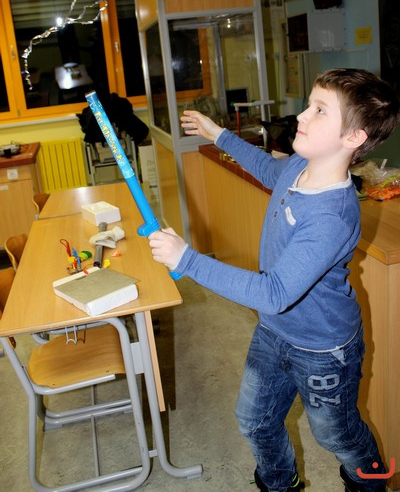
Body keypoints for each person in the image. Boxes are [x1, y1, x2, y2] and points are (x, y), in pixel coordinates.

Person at [148, 68, 400, 492]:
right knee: (254, 420)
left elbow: (274, 292)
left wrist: (187, 260)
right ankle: (280, 484)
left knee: (335, 435)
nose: (302, 115)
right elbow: (269, 169)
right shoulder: (300, 164)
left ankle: (372, 483)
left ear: (354, 137)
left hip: (323, 350)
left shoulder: (331, 216)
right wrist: (219, 135)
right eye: (309, 104)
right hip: (274, 331)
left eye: (320, 110)